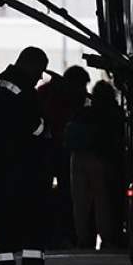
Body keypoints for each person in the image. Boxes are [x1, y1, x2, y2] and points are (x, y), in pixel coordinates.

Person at [0, 47, 53, 265]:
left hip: (0, 172)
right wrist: (47, 121)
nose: (39, 78)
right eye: (39, 73)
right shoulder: (24, 91)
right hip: (27, 171)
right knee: (33, 233)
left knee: (4, 233)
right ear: (32, 65)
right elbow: (35, 128)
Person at [67, 80, 125, 250]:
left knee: (80, 203)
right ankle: (107, 238)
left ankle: (84, 239)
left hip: (78, 158)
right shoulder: (114, 113)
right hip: (101, 159)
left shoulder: (84, 112)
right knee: (103, 201)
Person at [38, 65, 90, 247]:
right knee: (68, 193)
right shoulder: (72, 98)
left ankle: (49, 234)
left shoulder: (44, 92)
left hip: (46, 149)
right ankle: (68, 234)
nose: (85, 91)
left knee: (46, 192)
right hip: (58, 149)